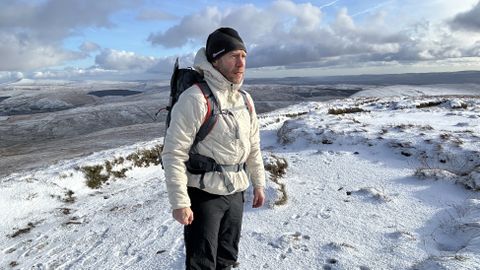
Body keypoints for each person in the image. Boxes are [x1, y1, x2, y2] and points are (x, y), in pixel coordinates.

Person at [162, 27, 266, 270]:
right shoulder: (195, 99)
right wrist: (180, 202)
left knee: (227, 258)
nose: (241, 63)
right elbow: (173, 152)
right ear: (215, 60)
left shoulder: (245, 99)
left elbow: (253, 146)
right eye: (233, 56)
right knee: (202, 263)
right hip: (204, 194)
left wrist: (259, 183)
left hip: (236, 192)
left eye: (244, 56)